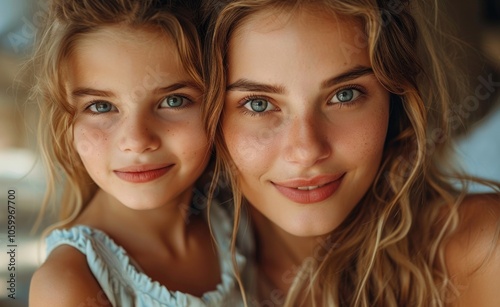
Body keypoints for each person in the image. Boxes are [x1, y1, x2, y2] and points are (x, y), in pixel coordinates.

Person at [201, 0, 500, 306]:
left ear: (395, 101)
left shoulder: (483, 250)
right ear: (208, 116)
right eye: (258, 104)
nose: (306, 151)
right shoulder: (170, 282)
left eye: (345, 95)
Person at [28, 0, 246, 306]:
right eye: (101, 106)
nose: (136, 141)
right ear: (66, 122)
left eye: (173, 101)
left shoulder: (235, 216)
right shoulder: (69, 285)